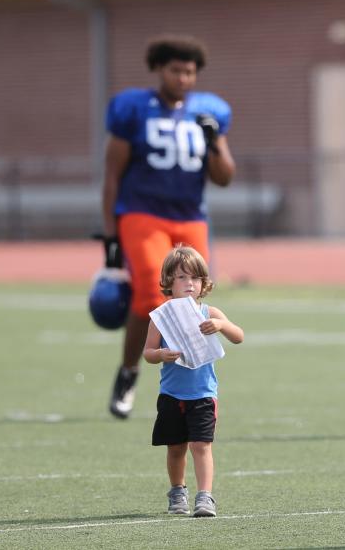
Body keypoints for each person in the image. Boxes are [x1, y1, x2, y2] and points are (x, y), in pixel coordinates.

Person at [102, 35, 236, 420]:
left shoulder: (209, 112)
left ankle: (188, 386)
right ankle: (129, 372)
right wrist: (110, 235)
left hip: (190, 215)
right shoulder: (134, 108)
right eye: (176, 70)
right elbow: (112, 175)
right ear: (159, 69)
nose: (183, 78)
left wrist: (215, 142)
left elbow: (224, 177)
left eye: (190, 71)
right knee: (149, 297)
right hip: (142, 213)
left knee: (191, 301)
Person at [142, 245, 244, 517]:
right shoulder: (161, 318)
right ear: (168, 282)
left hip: (203, 393)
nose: (189, 284)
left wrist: (221, 326)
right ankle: (178, 491)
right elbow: (148, 353)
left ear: (203, 283)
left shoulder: (209, 312)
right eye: (182, 278)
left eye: (195, 278)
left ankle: (205, 496)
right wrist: (160, 354)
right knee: (176, 447)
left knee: (202, 445)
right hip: (172, 394)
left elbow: (239, 336)